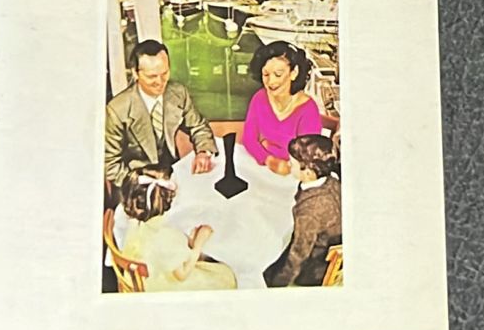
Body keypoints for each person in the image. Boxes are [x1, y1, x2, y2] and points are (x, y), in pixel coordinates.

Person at [103, 39, 217, 187]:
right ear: (135, 73)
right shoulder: (116, 110)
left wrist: (203, 152)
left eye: (164, 73)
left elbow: (198, 127)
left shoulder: (178, 93)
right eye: (152, 76)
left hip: (172, 175)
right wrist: (142, 181)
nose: (160, 82)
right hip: (136, 184)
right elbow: (110, 165)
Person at [117, 170, 236, 291]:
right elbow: (182, 275)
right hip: (161, 287)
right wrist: (198, 244)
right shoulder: (165, 234)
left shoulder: (134, 224)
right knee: (226, 277)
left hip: (144, 277)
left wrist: (186, 244)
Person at [265, 132, 342, 288]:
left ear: (307, 172)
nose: (288, 164)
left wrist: (278, 284)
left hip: (314, 269)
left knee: (267, 266)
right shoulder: (332, 181)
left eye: (292, 163)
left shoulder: (310, 212)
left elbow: (299, 254)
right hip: (325, 243)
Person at [241, 40, 322, 172]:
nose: (271, 81)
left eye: (278, 74)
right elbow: (248, 139)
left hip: (296, 173)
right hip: (268, 167)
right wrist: (269, 159)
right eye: (266, 74)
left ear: (294, 73)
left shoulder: (308, 109)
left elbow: (305, 156)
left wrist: (268, 147)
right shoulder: (259, 98)